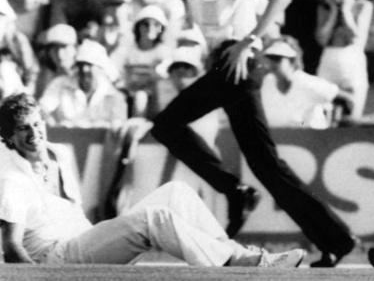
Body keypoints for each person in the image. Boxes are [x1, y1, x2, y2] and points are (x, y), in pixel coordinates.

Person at [150, 0, 357, 267]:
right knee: (264, 163)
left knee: (168, 125)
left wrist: (250, 40)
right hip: (222, 62)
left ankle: (238, 192)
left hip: (239, 63)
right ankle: (334, 238)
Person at [0, 93, 306, 267]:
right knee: (154, 218)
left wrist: (103, 241)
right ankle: (248, 267)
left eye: (37, 124)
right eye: (23, 129)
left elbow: (75, 215)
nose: (34, 134)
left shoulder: (60, 154)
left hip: (84, 246)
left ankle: (239, 260)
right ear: (9, 139)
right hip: (56, 262)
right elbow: (12, 248)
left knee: (177, 193)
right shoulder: (11, 179)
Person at [315, 0, 372, 119]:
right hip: (329, 60)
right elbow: (322, 39)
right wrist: (333, 12)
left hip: (352, 62)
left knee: (352, 115)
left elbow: (357, 39)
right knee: (321, 112)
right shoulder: (324, 7)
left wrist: (346, 10)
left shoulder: (364, 6)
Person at [261, 37, 355, 129]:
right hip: (278, 141)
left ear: (292, 61)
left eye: (277, 58)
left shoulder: (308, 83)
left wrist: (337, 127)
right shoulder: (265, 84)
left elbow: (347, 99)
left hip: (311, 141)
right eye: (269, 58)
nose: (272, 63)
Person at [39, 40, 127, 128]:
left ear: (100, 68)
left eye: (89, 65)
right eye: (81, 65)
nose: (84, 70)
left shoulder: (114, 95)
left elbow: (119, 126)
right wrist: (51, 123)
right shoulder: (60, 84)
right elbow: (41, 109)